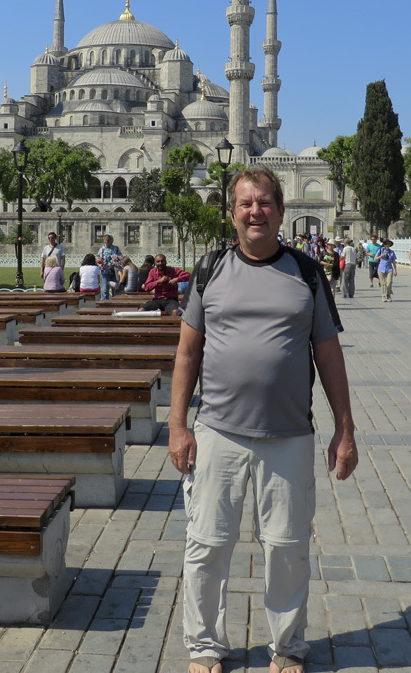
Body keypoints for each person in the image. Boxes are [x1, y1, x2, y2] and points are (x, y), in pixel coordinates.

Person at [170, 166, 357, 673]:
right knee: (207, 543)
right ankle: (205, 646)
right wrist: (178, 425)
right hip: (218, 432)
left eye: (265, 202)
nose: (256, 211)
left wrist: (345, 428)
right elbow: (187, 355)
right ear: (232, 213)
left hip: (290, 436)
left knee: (288, 548)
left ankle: (288, 647)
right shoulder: (210, 270)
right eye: (246, 203)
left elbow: (329, 355)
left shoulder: (306, 273)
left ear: (281, 208)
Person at [96, 233, 122, 300]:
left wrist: (118, 258)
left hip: (114, 271)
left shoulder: (116, 249)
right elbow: (98, 258)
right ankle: (104, 305)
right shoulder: (102, 249)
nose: (107, 242)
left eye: (108, 240)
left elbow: (121, 258)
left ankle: (115, 303)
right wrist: (99, 261)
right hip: (105, 272)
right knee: (104, 289)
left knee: (115, 289)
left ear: (111, 240)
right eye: (106, 240)